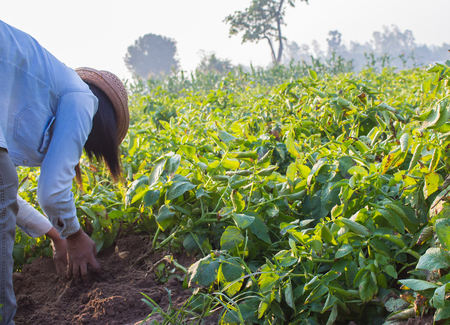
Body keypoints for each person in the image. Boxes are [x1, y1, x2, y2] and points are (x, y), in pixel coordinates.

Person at [0, 20, 129, 324]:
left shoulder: (32, 92)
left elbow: (6, 197)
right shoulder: (82, 98)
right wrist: (74, 235)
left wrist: (54, 233)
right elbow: (52, 192)